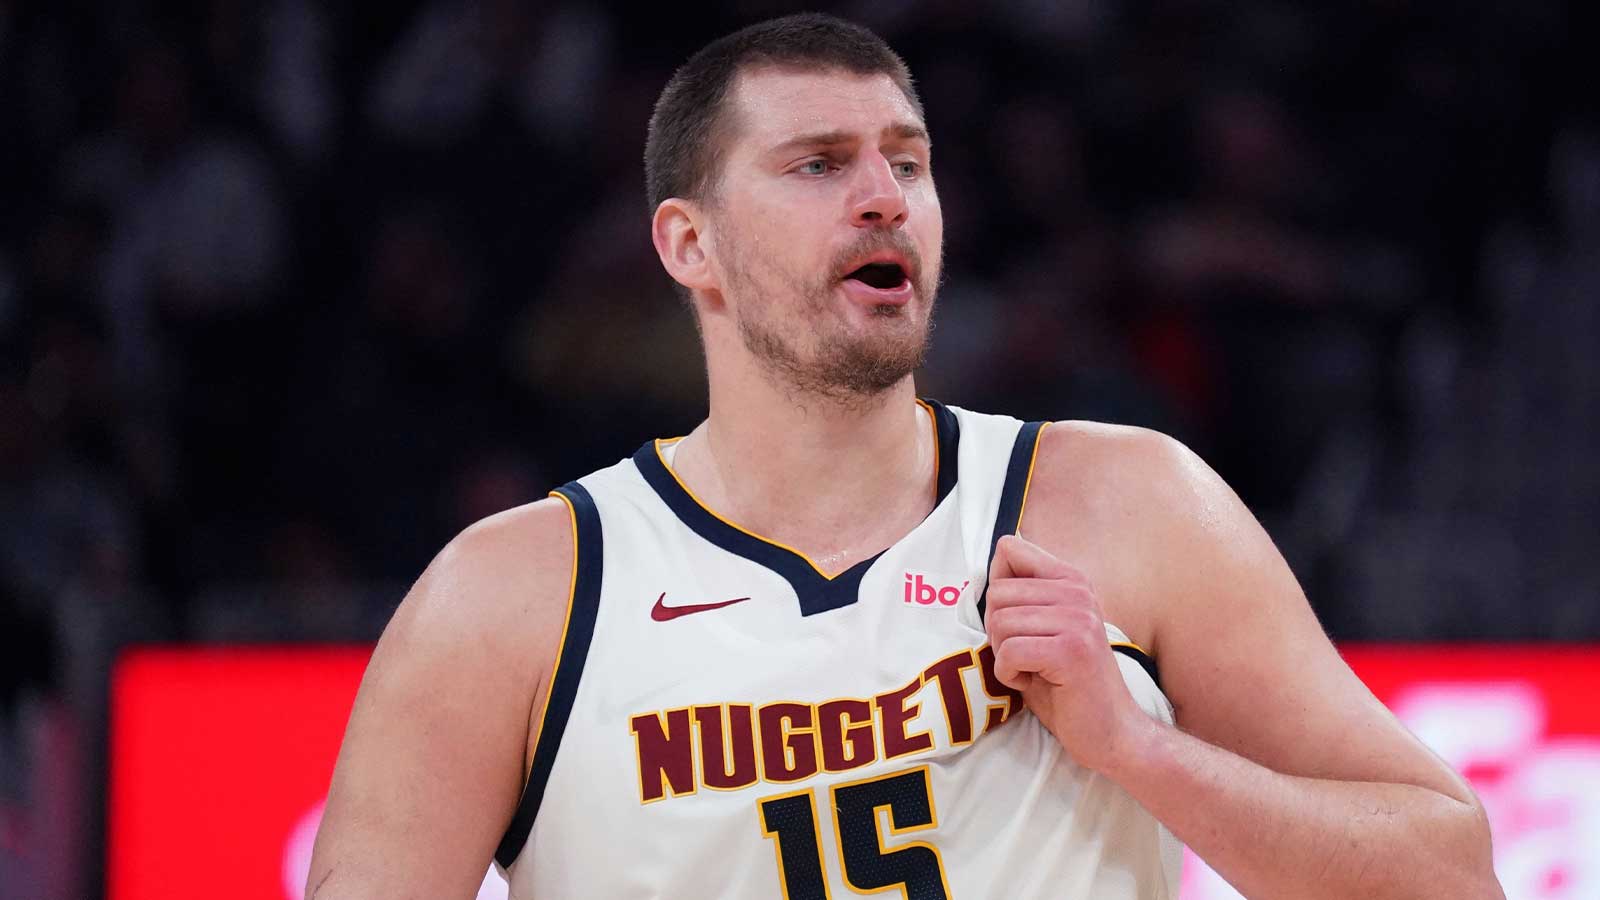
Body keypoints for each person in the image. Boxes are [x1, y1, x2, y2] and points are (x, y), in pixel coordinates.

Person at [307, 14, 1502, 899]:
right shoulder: (513, 595)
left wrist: (1135, 746)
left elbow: (1449, 877)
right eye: (820, 164)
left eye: (908, 160)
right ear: (689, 245)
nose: (883, 197)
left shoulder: (1121, 501)